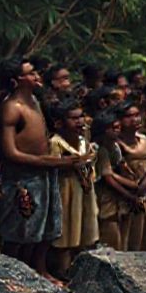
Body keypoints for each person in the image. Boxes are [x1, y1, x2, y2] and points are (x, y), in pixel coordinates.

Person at [0, 57, 90, 284]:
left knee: (47, 227)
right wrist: (54, 162)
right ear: (16, 80)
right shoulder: (11, 108)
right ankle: (12, 276)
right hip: (22, 177)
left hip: (45, 173)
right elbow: (11, 153)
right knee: (20, 229)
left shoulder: (36, 101)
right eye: (31, 73)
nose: (37, 76)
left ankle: (41, 270)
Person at [48, 98, 98, 278]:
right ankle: (63, 272)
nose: (79, 122)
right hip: (66, 189)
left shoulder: (84, 140)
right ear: (60, 123)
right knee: (67, 232)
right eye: (73, 118)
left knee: (85, 231)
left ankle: (82, 273)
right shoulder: (56, 142)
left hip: (84, 188)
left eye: (81, 117)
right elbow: (54, 165)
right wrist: (72, 163)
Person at [91, 111, 146, 250]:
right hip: (105, 195)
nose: (117, 130)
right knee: (110, 238)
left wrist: (133, 184)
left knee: (123, 238)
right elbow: (108, 178)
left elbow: (122, 168)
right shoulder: (100, 149)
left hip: (119, 197)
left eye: (118, 127)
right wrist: (131, 193)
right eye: (113, 128)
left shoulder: (115, 147)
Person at [117, 101, 146, 250]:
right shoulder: (118, 144)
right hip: (129, 193)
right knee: (131, 234)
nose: (134, 119)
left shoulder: (143, 139)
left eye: (136, 115)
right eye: (128, 116)